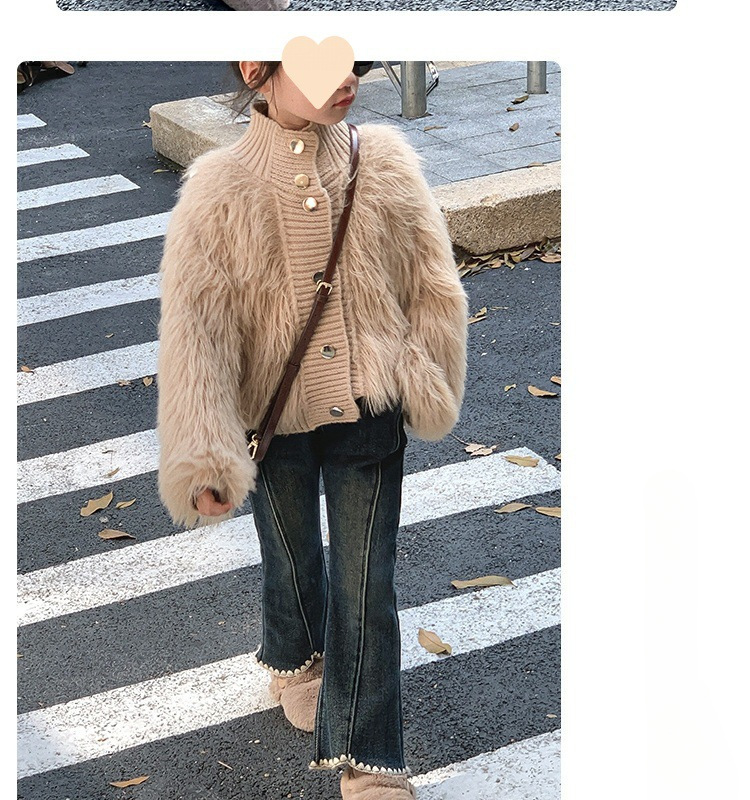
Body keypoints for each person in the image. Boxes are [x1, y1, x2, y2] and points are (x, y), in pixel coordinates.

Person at [156, 60, 468, 800]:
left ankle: (370, 759)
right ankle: (295, 656)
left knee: (367, 585)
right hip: (275, 416)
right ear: (256, 68)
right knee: (292, 556)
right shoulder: (217, 188)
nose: (345, 76)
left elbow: (431, 281)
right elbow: (196, 331)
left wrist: (426, 372)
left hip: (370, 407)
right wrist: (204, 455)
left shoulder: (384, 162)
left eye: (352, 60)